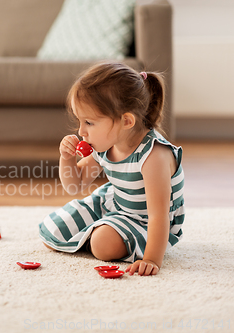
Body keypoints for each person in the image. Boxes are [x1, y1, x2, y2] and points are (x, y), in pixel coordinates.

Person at [39, 62, 185, 276]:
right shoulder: (106, 144)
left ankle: (99, 234)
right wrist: (66, 159)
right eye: (80, 121)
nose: (81, 131)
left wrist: (152, 259)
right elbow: (75, 185)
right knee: (54, 230)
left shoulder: (153, 155)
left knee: (102, 244)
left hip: (147, 221)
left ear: (126, 121)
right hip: (115, 203)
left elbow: (158, 215)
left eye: (89, 122)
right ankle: (99, 230)